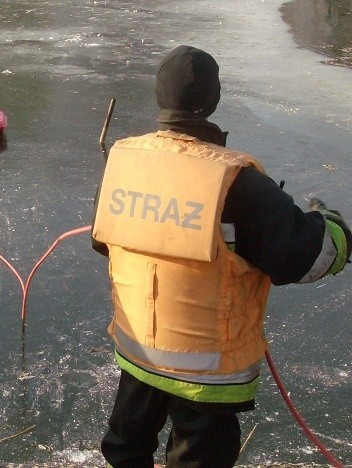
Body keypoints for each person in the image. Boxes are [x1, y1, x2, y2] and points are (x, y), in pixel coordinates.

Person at [91, 45, 351, 467]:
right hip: (208, 368)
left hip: (140, 351)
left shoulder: (122, 163)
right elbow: (307, 258)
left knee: (127, 447)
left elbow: (103, 242)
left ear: (160, 98)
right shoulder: (237, 182)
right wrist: (332, 223)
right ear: (212, 101)